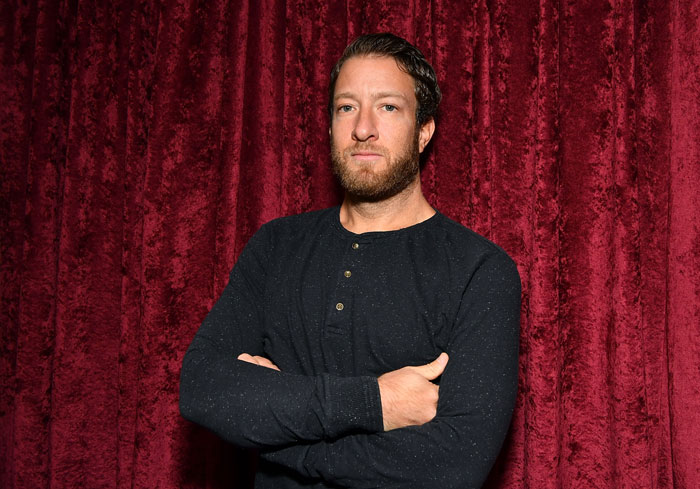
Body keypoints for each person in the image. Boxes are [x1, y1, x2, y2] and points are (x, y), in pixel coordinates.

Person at [179, 33, 521, 489]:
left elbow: (454, 466)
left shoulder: (480, 270)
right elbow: (202, 388)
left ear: (424, 131)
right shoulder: (276, 245)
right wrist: (375, 402)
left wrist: (273, 434)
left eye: (388, 107)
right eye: (346, 107)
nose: (362, 128)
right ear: (329, 126)